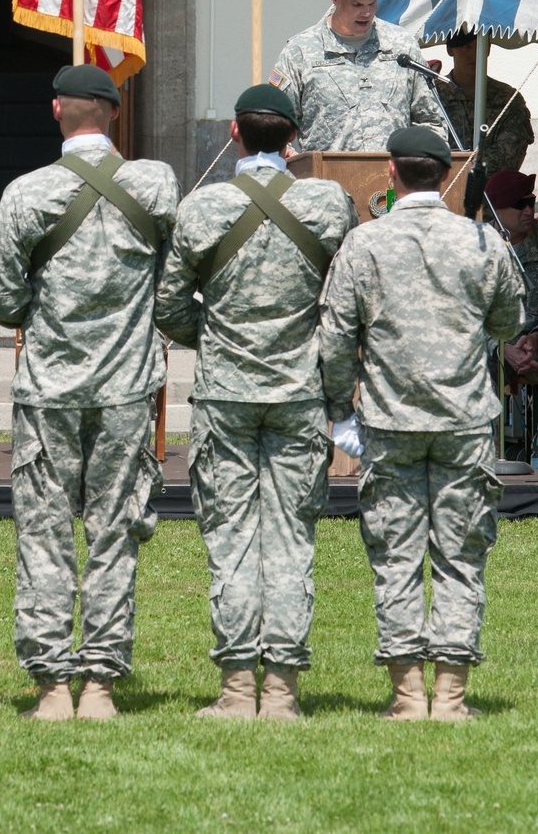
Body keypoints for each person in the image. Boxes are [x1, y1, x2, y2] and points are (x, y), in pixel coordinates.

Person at [0, 63, 180, 722]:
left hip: (49, 391)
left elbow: (7, 301)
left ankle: (51, 686)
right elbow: (172, 277)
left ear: (55, 110)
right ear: (115, 112)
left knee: (43, 535)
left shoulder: (25, 194)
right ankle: (98, 682)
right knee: (113, 531)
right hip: (126, 388)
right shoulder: (155, 184)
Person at [154, 84, 357, 720]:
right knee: (292, 539)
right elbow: (343, 300)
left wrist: (212, 338)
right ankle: (281, 692)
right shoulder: (329, 203)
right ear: (292, 139)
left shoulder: (203, 207)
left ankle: (239, 688)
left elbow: (169, 305)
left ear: (234, 134)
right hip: (300, 391)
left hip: (225, 393)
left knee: (233, 541)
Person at [318, 127, 525, 721]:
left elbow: (335, 341)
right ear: (444, 173)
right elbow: (510, 323)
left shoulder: (364, 244)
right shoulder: (483, 242)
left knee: (396, 553)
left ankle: (409, 695)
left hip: (390, 421)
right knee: (461, 553)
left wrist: (339, 409)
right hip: (464, 422)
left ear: (391, 172)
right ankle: (451, 696)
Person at [270, 0, 443, 151]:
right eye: (357, 5)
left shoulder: (401, 46)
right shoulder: (300, 51)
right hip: (327, 178)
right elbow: (273, 123)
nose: (366, 12)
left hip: (393, 177)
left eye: (372, 3)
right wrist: (291, 157)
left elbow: (431, 120)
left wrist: (420, 162)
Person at [485, 170, 538, 429]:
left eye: (531, 202)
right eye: (519, 205)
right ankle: (483, 460)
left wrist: (537, 336)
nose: (529, 211)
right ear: (496, 210)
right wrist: (501, 348)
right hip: (492, 346)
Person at [434, 30, 533, 173]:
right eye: (466, 47)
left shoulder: (507, 99)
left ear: (489, 48)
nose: (474, 54)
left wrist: (462, 171)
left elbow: (510, 155)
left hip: (489, 191)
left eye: (480, 45)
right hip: (441, 188)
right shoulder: (433, 94)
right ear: (450, 50)